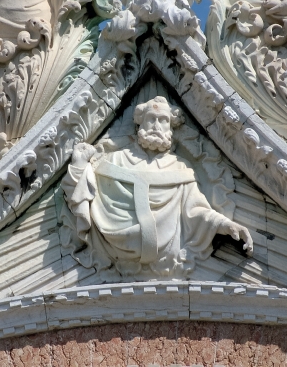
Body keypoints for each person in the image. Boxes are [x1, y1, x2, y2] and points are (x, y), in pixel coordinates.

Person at [63, 96, 253, 278]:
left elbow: (195, 210)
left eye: (163, 120)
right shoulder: (115, 160)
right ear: (140, 124)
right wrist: (79, 164)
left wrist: (226, 225)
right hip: (114, 245)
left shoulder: (180, 167)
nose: (156, 125)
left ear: (170, 127)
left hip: (168, 257)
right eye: (151, 119)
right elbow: (83, 193)